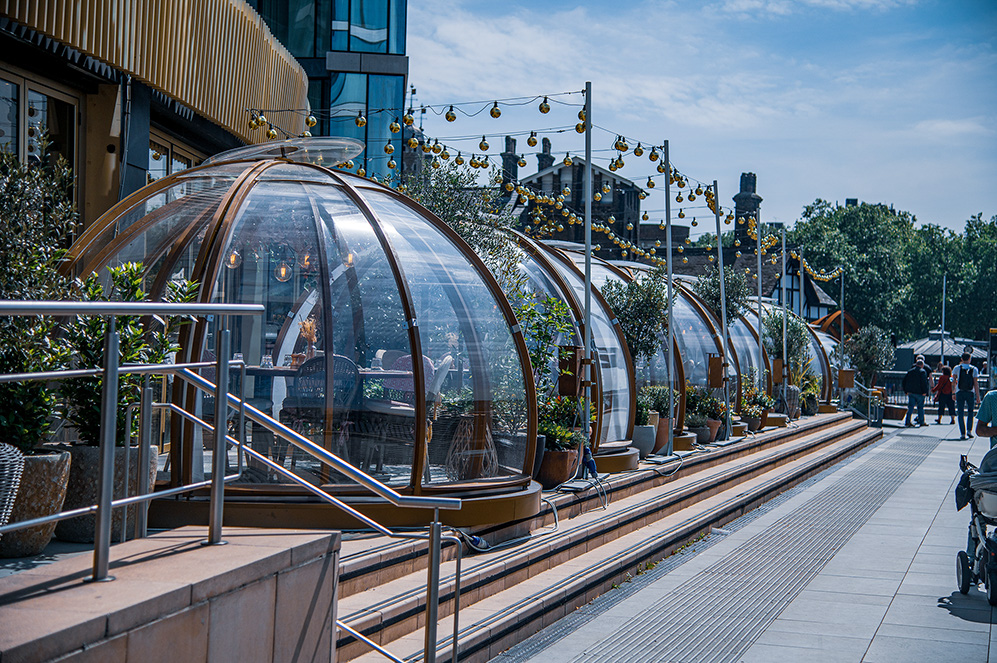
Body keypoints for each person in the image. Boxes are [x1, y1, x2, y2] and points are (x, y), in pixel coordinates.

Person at [953, 352, 981, 440]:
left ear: (961, 359)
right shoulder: (974, 369)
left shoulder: (957, 368)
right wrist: (978, 396)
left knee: (960, 412)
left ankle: (962, 433)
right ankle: (969, 430)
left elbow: (953, 381)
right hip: (970, 392)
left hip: (959, 392)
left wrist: (953, 392)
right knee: (970, 412)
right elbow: (975, 383)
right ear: (970, 359)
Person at [902, 355, 930, 427]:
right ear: (922, 365)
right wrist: (925, 392)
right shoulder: (922, 372)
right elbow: (924, 383)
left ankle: (907, 421)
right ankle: (921, 421)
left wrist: (905, 390)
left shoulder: (910, 371)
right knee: (920, 407)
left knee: (910, 407)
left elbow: (904, 381)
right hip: (920, 393)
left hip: (911, 392)